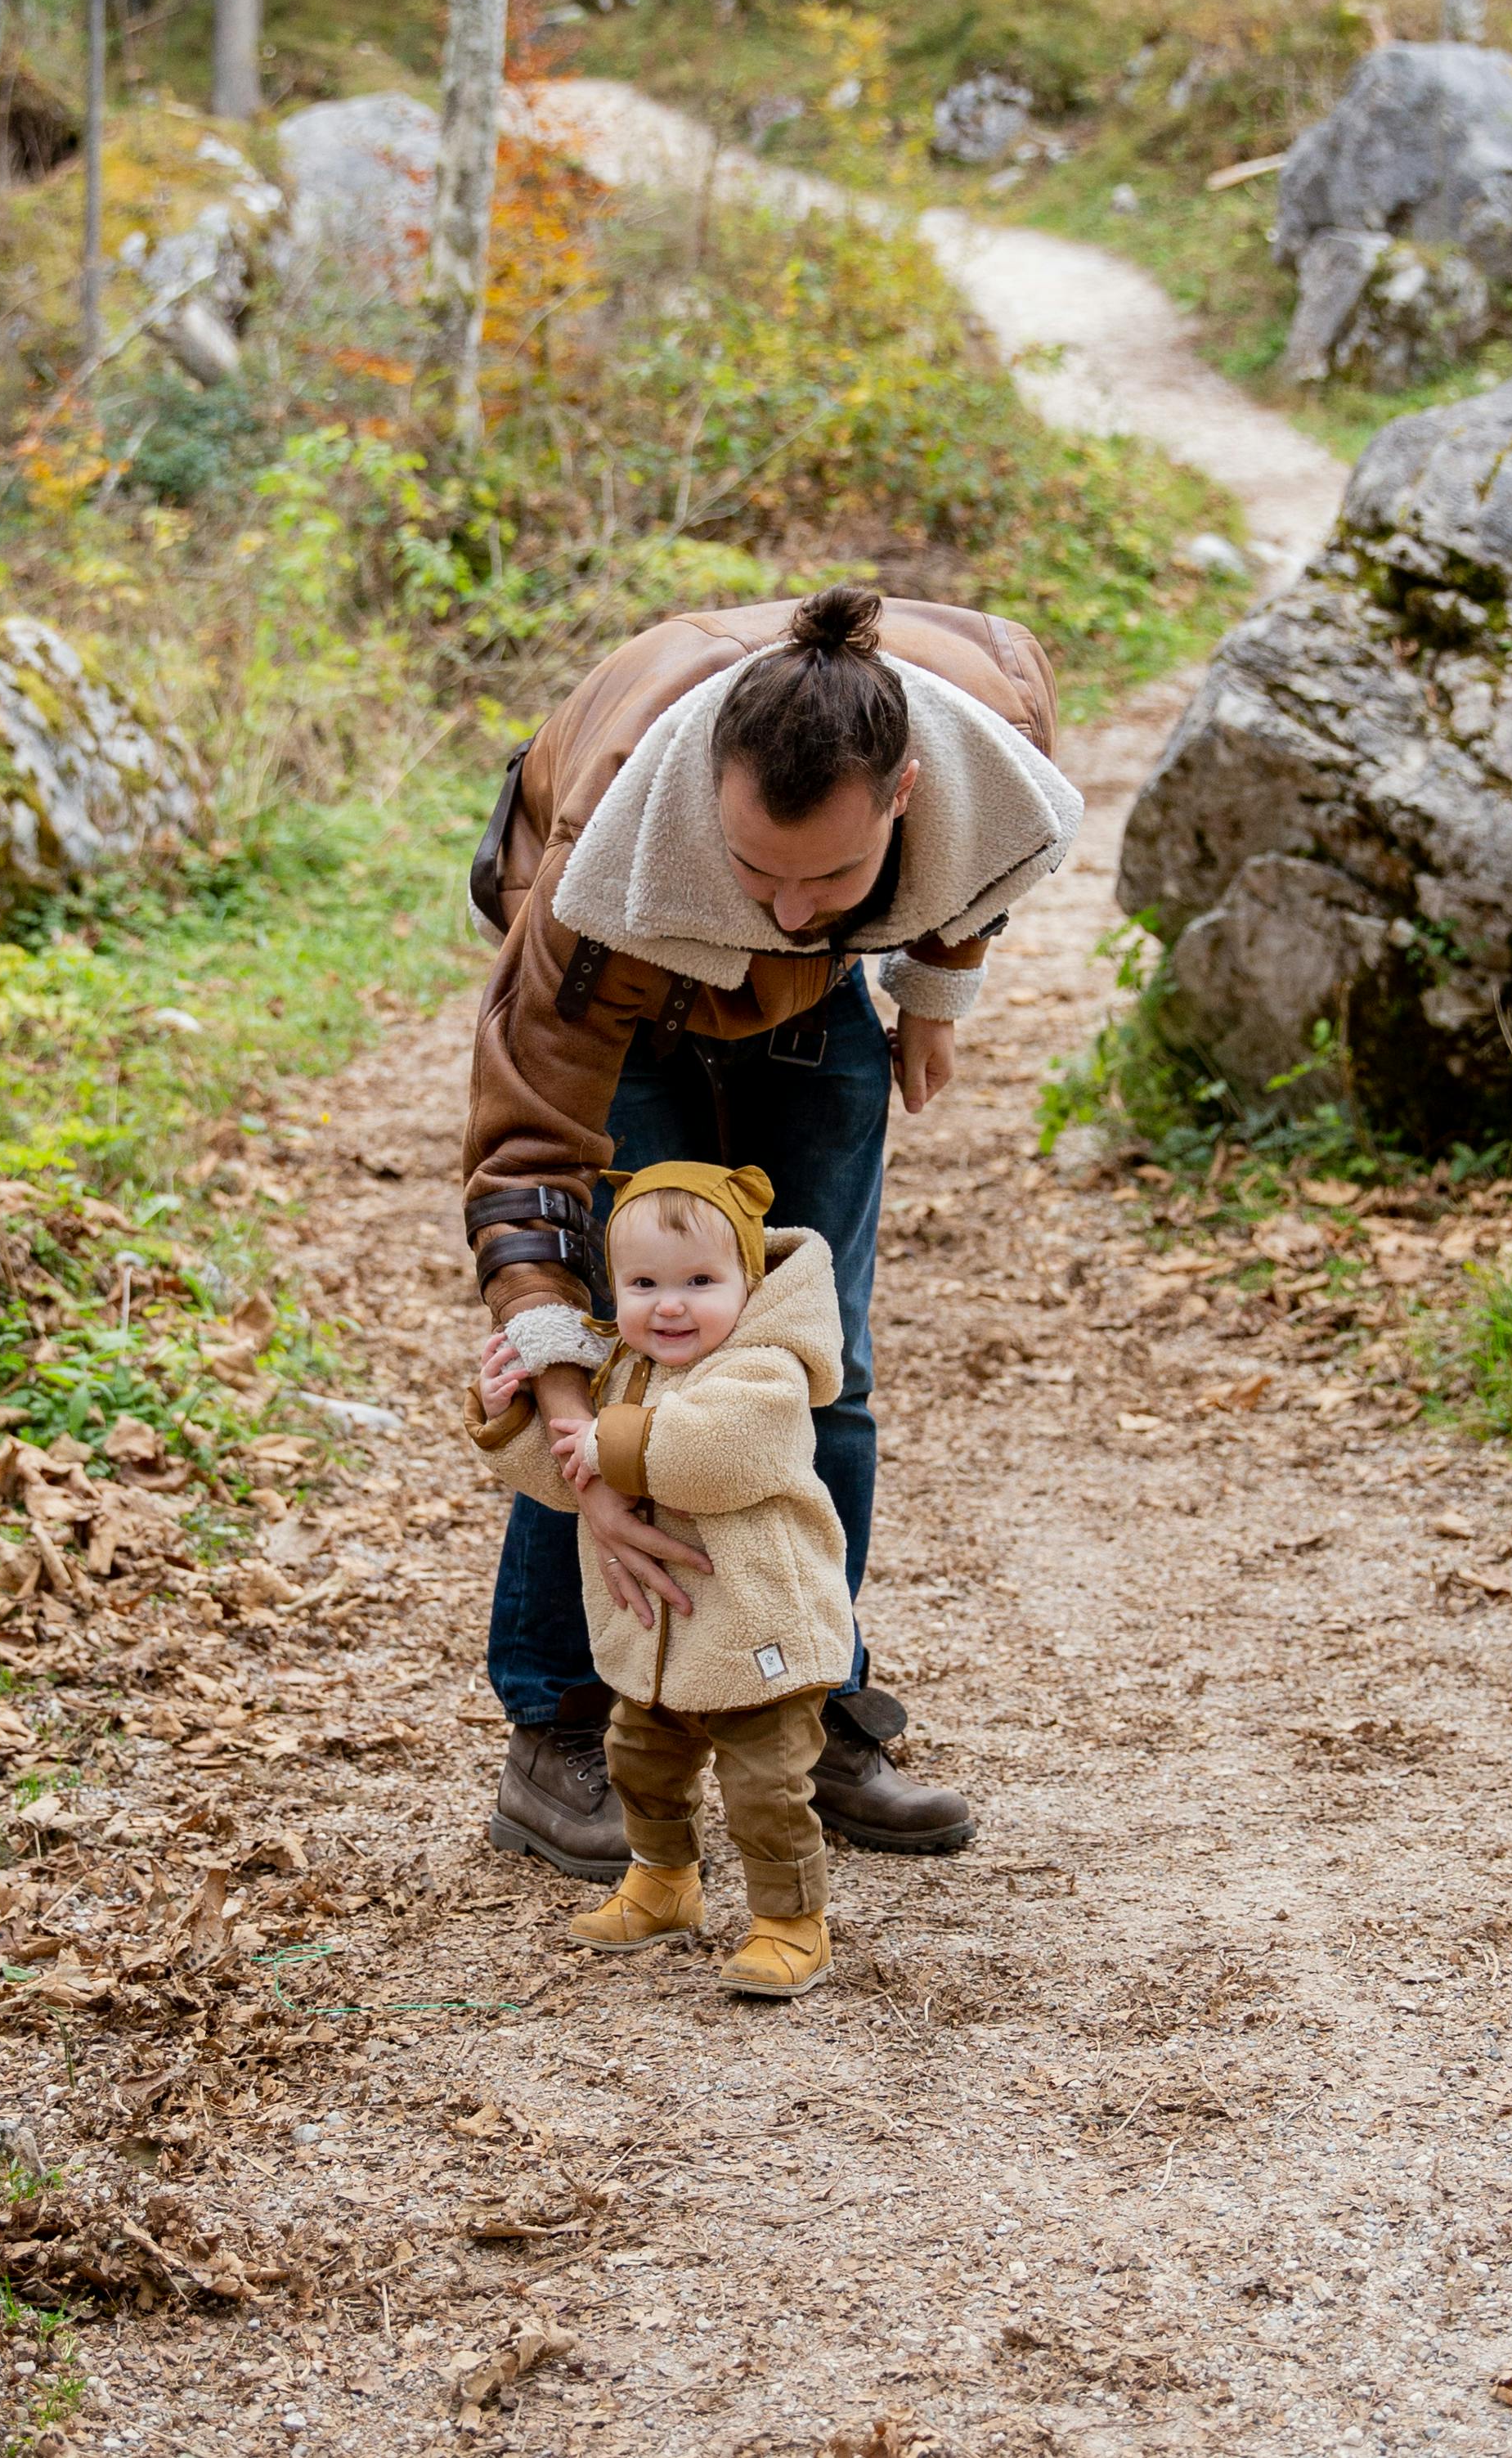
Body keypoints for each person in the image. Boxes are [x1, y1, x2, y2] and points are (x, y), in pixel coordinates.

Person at [464, 582, 1082, 1878]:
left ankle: (805, 1697)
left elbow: (987, 849)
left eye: (834, 875)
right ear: (707, 801)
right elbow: (529, 1149)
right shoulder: (602, 857)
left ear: (906, 794)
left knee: (819, 1358)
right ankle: (560, 1720)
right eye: (760, 871)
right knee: (638, 1339)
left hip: (814, 1014)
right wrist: (572, 1418)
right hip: (630, 988)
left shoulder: (990, 724)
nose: (795, 910)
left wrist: (932, 985)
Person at [469, 1159, 850, 1997]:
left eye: (699, 1280)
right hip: (660, 1638)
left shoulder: (766, 1371)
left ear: (749, 1283)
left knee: (765, 1785)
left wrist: (609, 1443)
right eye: (642, 1281)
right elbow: (568, 1478)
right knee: (639, 1761)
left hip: (759, 1630)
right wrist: (513, 1420)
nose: (668, 1303)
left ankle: (790, 1921)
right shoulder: (618, 1369)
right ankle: (662, 1879)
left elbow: (717, 1456)